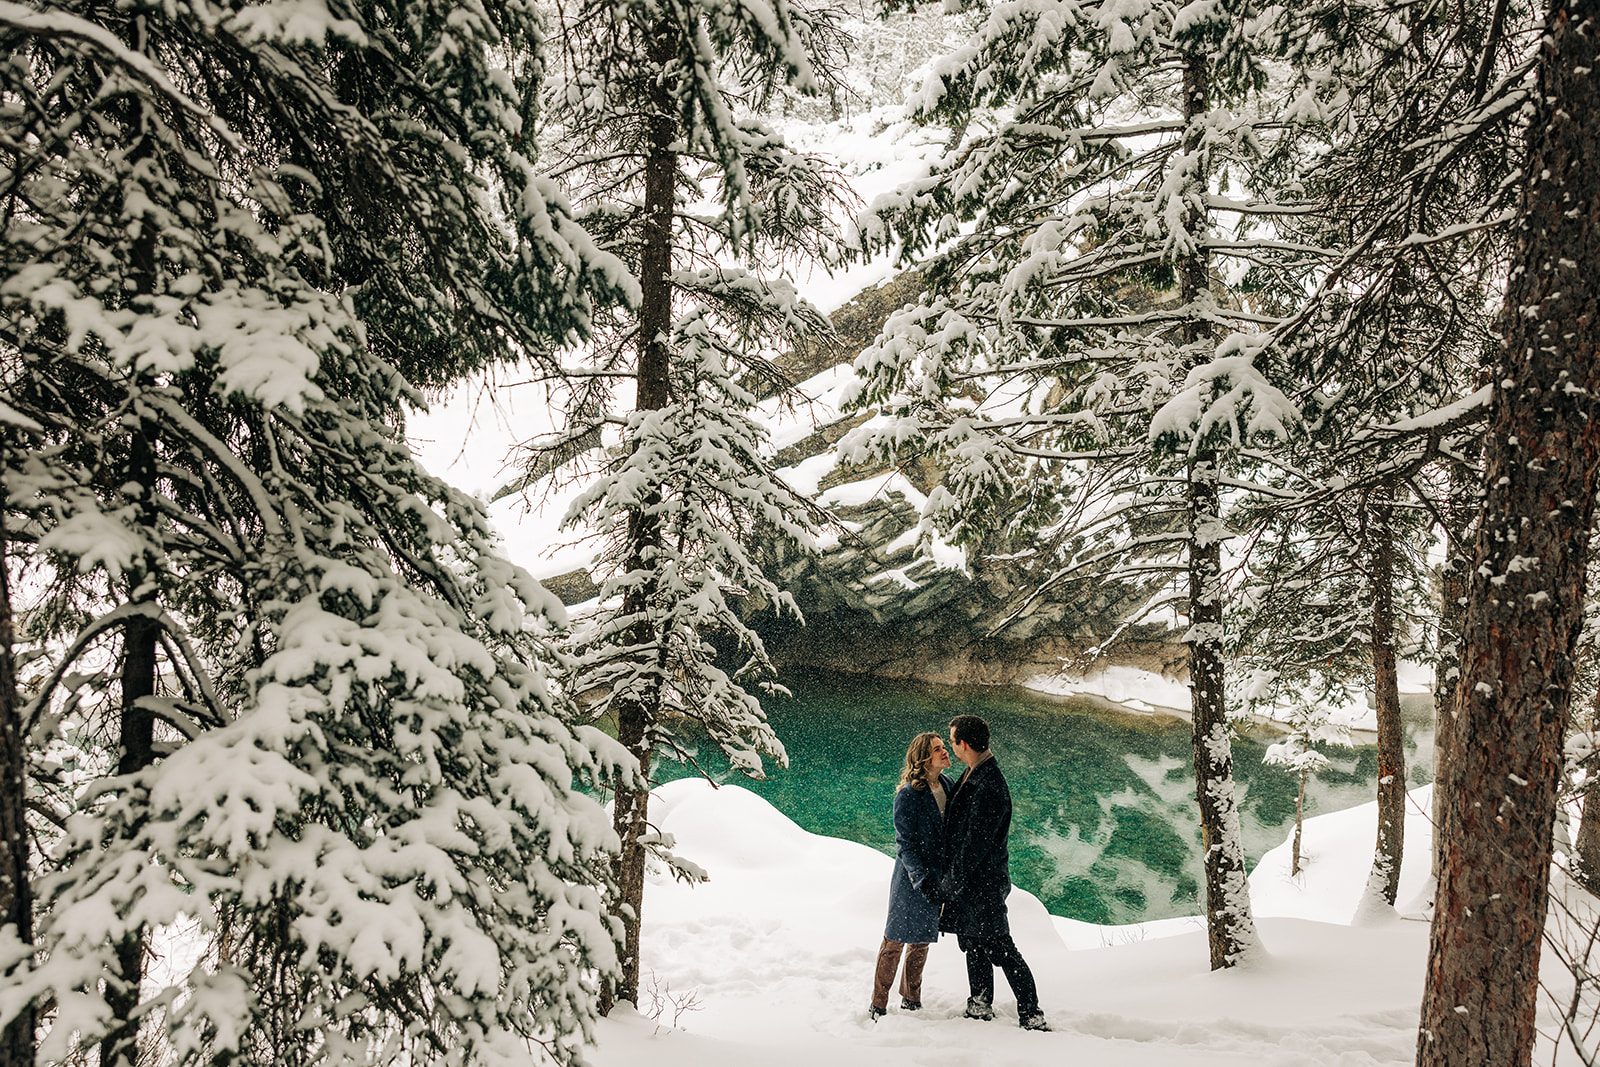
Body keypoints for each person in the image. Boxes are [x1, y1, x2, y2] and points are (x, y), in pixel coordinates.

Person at [928, 713, 1049, 1031]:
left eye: (951, 740)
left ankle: (1032, 1014)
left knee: (1000, 947)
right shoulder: (973, 773)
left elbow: (974, 847)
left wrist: (947, 887)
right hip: (971, 885)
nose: (951, 745)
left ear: (963, 744)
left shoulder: (989, 785)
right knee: (973, 942)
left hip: (983, 885)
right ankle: (979, 1006)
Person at [869, 731, 955, 1020]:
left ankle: (911, 998)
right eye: (938, 749)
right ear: (924, 758)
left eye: (944, 747)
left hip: (938, 877)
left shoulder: (948, 784)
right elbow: (904, 844)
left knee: (921, 940)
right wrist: (921, 879)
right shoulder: (908, 794)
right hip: (910, 880)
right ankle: (878, 1004)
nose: (945, 752)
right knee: (894, 941)